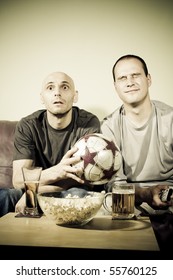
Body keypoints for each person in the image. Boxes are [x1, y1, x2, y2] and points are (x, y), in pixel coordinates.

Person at [101, 54, 173, 250]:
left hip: (170, 197)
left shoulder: (170, 119)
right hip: (130, 198)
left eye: (135, 75)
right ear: (115, 86)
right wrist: (146, 193)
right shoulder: (109, 126)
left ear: (148, 79)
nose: (130, 82)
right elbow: (116, 186)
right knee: (103, 205)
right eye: (122, 78)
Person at [12, 71, 102, 214]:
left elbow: (84, 179)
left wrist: (33, 193)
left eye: (65, 87)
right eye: (50, 88)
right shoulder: (27, 125)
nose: (57, 93)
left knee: (80, 195)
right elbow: (18, 180)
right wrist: (57, 172)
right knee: (4, 197)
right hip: (31, 189)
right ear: (42, 97)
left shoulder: (88, 123)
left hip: (69, 190)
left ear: (75, 96)